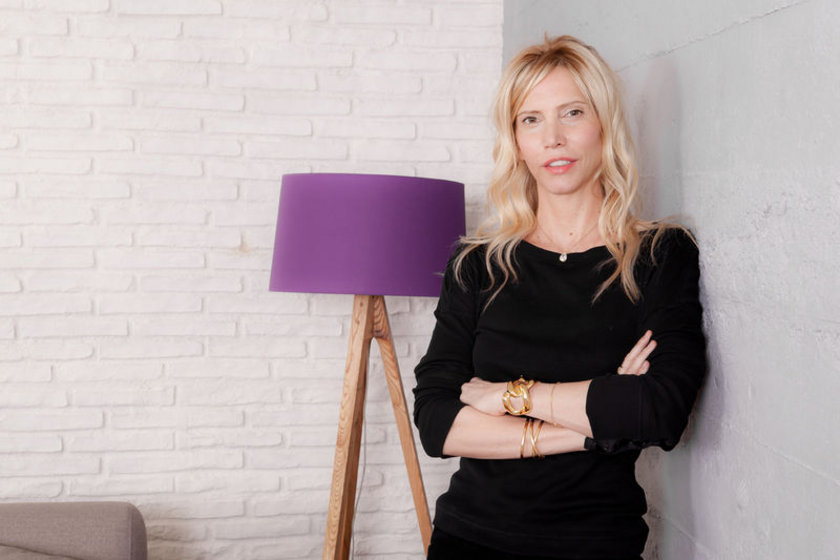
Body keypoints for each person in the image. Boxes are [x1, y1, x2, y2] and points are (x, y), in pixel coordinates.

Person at [412, 35, 706, 559]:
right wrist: (599, 426)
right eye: (531, 119)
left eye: (572, 113)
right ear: (516, 141)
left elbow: (661, 411)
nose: (553, 138)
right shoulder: (477, 263)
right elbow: (437, 423)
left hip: (597, 544)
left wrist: (510, 398)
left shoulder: (659, 254)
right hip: (468, 540)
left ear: (604, 124)